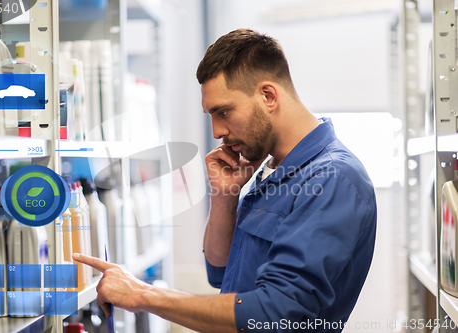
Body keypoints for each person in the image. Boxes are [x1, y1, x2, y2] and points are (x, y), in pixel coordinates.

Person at [74, 28, 377, 333]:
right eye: (210, 115)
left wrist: (143, 295)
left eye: (223, 111)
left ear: (268, 96)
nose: (217, 131)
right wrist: (225, 196)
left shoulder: (332, 178)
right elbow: (220, 272)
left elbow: (277, 313)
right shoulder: (272, 167)